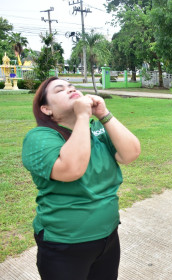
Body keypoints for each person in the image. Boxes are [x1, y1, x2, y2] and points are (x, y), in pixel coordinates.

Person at [22, 77, 141, 280]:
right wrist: (83, 117)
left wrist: (103, 114)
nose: (70, 90)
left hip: (108, 236)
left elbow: (131, 153)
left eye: (72, 87)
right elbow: (72, 169)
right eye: (60, 90)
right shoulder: (39, 137)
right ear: (46, 109)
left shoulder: (97, 131)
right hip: (64, 244)